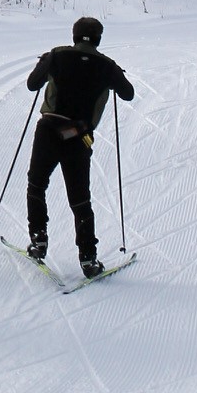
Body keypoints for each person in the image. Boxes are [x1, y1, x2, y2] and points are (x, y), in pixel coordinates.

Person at [25, 15, 134, 277]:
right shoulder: (107, 66)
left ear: (74, 36)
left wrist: (45, 63)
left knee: (37, 184)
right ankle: (88, 259)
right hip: (78, 136)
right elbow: (128, 93)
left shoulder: (56, 55)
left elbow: (32, 85)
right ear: (98, 39)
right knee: (80, 198)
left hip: (49, 129)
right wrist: (113, 75)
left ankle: (38, 240)